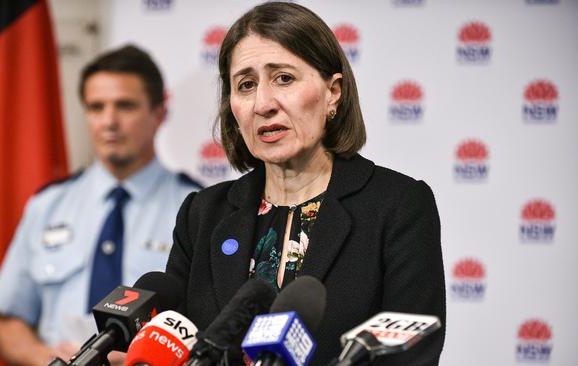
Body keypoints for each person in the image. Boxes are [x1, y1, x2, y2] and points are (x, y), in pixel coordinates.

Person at [166, 2, 445, 365]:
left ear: (333, 93)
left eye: (284, 78)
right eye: (246, 85)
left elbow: (411, 358)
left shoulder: (398, 206)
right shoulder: (203, 214)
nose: (263, 104)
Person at [0, 45, 200, 366]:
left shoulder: (196, 209)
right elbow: (8, 321)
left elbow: (205, 327)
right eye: (96, 107)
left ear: (159, 113)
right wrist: (41, 355)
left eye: (125, 106)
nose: (109, 121)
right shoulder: (48, 204)